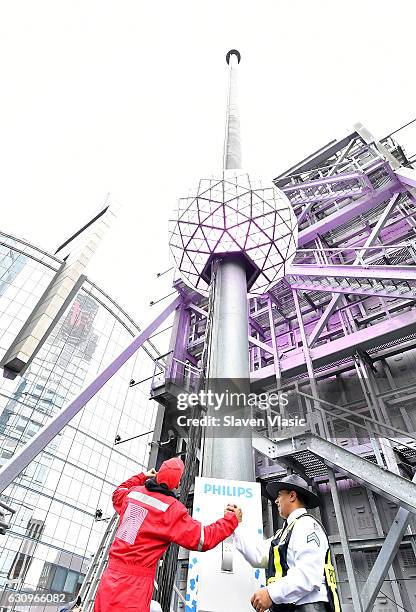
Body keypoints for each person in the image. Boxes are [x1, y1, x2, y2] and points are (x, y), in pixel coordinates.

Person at [94, 458, 242, 612]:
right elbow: (204, 539)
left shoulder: (133, 495)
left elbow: (118, 493)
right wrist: (231, 520)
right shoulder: (171, 510)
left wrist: (142, 476)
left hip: (109, 579)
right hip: (134, 588)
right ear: (177, 485)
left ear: (157, 475)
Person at [227, 474, 341, 612]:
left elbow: (308, 575)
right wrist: (235, 525)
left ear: (292, 496)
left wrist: (271, 593)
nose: (276, 501)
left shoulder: (306, 525)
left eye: (280, 495)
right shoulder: (286, 532)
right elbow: (257, 556)